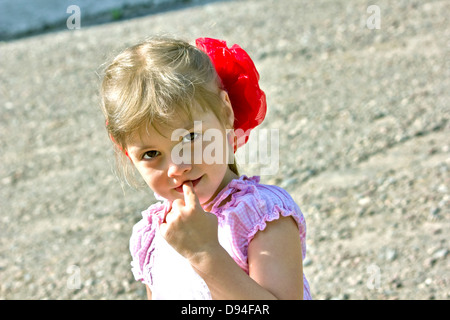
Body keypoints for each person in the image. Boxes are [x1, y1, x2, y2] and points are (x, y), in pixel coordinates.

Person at [100, 36, 312, 299]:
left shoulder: (263, 218)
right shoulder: (154, 234)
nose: (177, 167)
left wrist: (204, 253)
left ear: (225, 112)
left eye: (190, 137)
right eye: (151, 153)